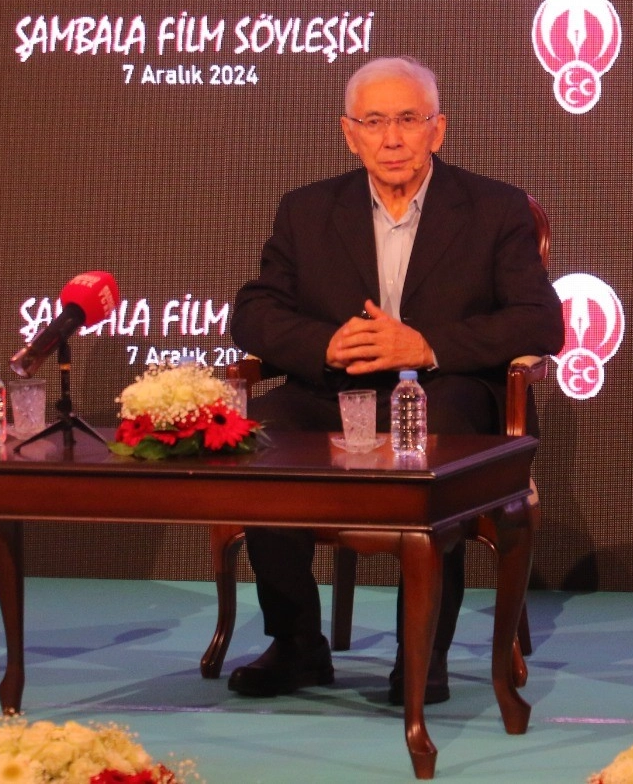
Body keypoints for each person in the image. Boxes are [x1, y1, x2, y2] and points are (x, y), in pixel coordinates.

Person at [227, 55, 564, 704]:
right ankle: (296, 644)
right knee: (263, 438)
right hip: (336, 393)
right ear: (348, 133)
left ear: (437, 128)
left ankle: (422, 653)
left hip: (448, 391)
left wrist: (427, 345)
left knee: (438, 440)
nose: (391, 138)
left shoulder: (493, 208)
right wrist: (323, 344)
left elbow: (539, 321)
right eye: (374, 122)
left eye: (408, 119)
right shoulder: (307, 210)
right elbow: (254, 311)